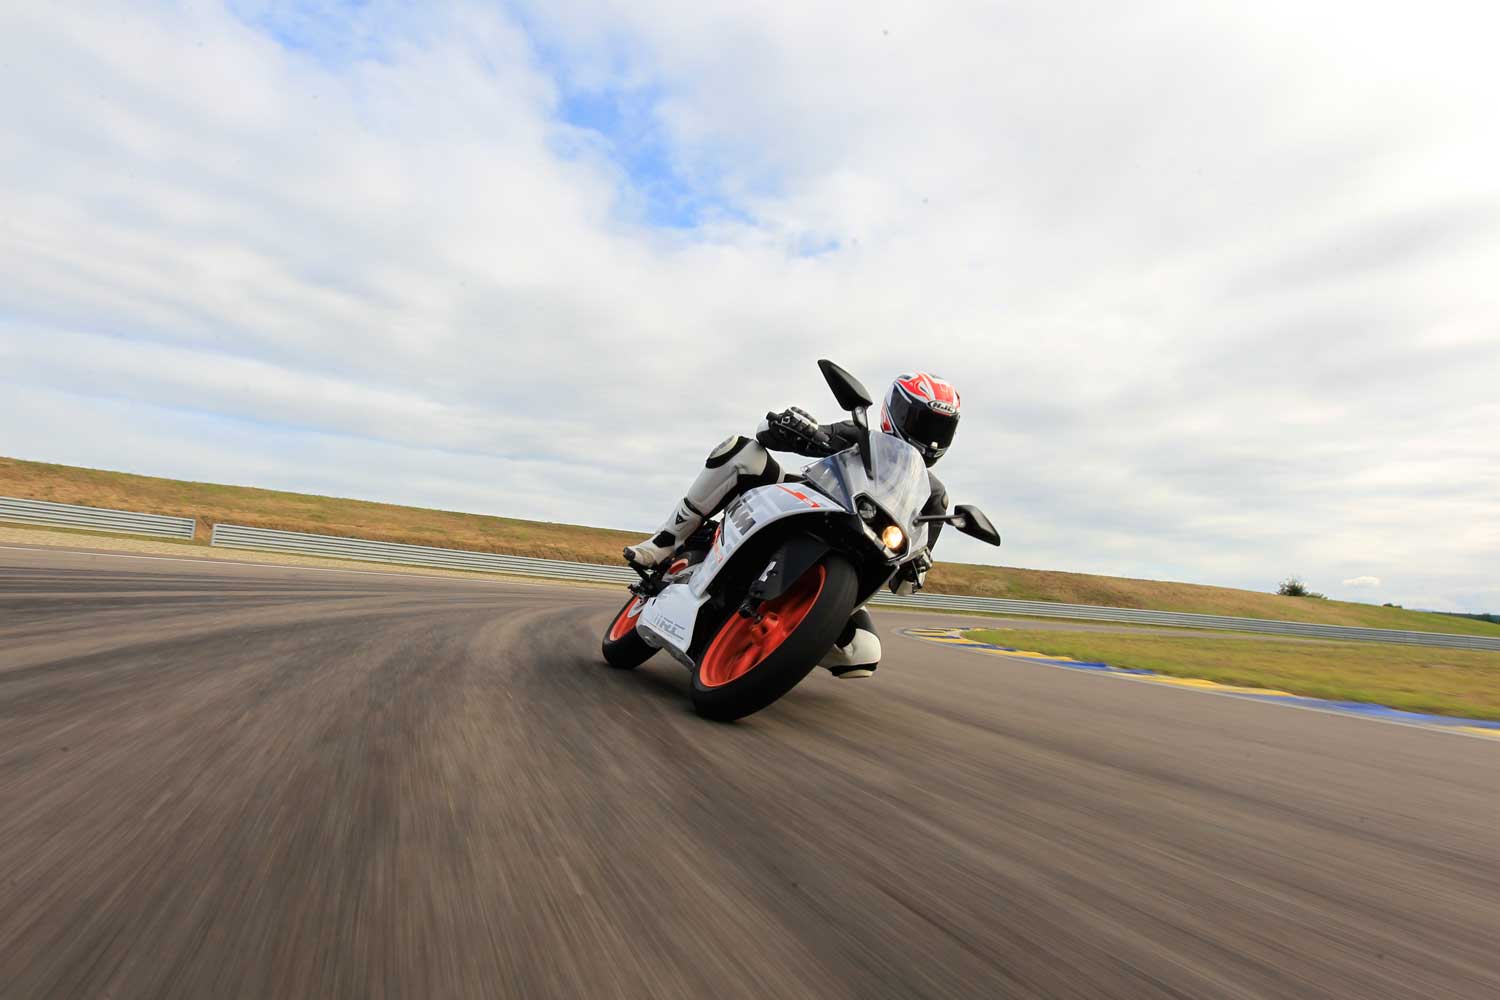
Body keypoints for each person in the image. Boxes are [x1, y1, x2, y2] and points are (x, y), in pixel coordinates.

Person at [623, 372, 961, 679]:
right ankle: (665, 541)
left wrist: (917, 566)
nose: (931, 437)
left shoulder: (934, 497)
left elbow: (904, 585)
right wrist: (795, 428)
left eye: (940, 429)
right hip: (808, 507)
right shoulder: (859, 436)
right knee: (741, 451)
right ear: (896, 412)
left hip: (859, 554)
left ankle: (777, 648)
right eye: (923, 422)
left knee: (863, 653)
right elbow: (768, 435)